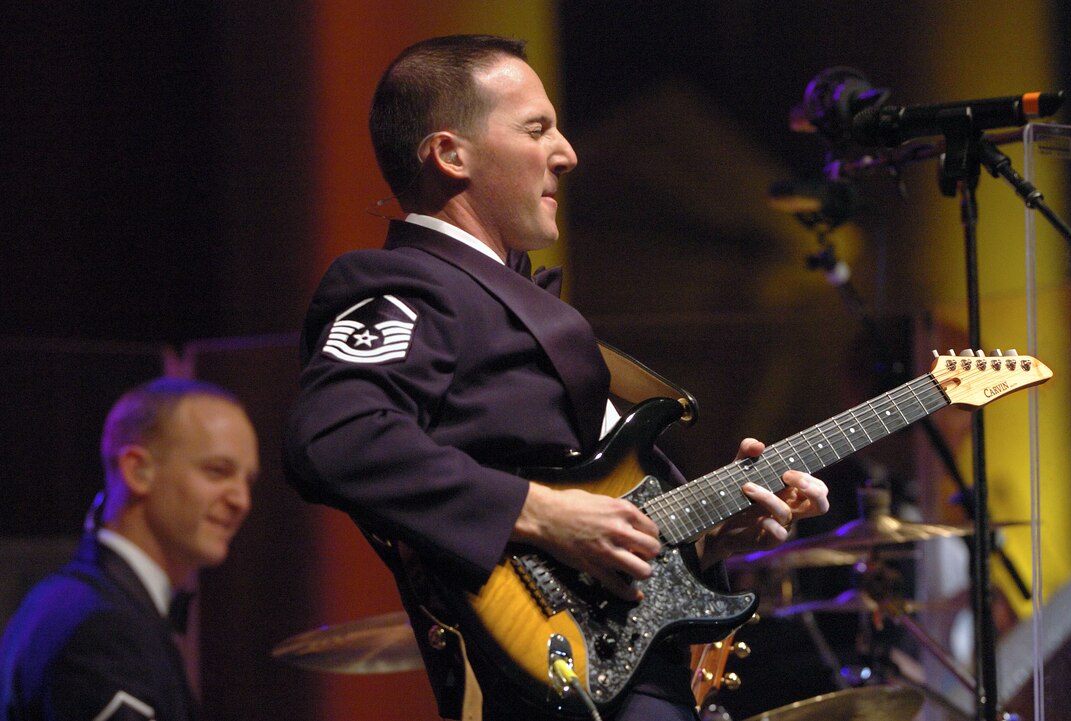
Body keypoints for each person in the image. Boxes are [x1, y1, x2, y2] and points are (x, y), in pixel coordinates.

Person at [282, 34, 829, 721]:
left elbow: (596, 514)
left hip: (624, 669)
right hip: (547, 679)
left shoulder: (507, 299)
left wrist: (710, 535)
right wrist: (544, 513)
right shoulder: (402, 283)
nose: (568, 153)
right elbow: (334, 436)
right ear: (451, 154)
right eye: (537, 128)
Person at [0, 378, 258, 721]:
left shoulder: (97, 604)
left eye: (247, 480)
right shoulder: (100, 628)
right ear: (138, 470)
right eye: (217, 471)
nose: (241, 500)